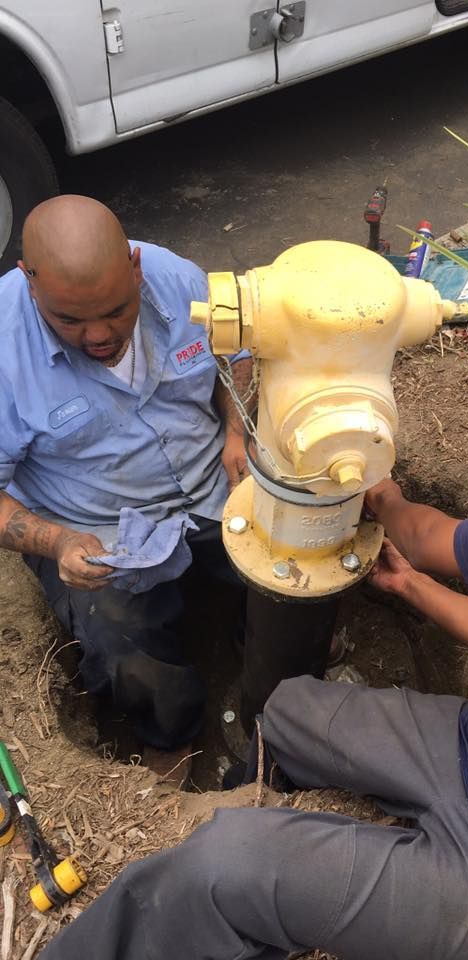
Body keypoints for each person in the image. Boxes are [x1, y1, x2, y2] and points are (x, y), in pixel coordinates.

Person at [38, 312, 468, 960]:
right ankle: (249, 790)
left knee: (224, 866)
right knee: (290, 711)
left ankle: (240, 881)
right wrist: (407, 590)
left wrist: (380, 487)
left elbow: (423, 538)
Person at [0, 195, 254, 778]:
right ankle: (171, 733)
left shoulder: (177, 278)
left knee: (290, 558)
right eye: (69, 320)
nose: (98, 335)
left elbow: (234, 355)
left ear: (136, 268)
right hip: (98, 528)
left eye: (117, 310)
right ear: (28, 283)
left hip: (211, 481)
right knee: (119, 641)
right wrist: (55, 543)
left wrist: (238, 429)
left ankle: (261, 653)